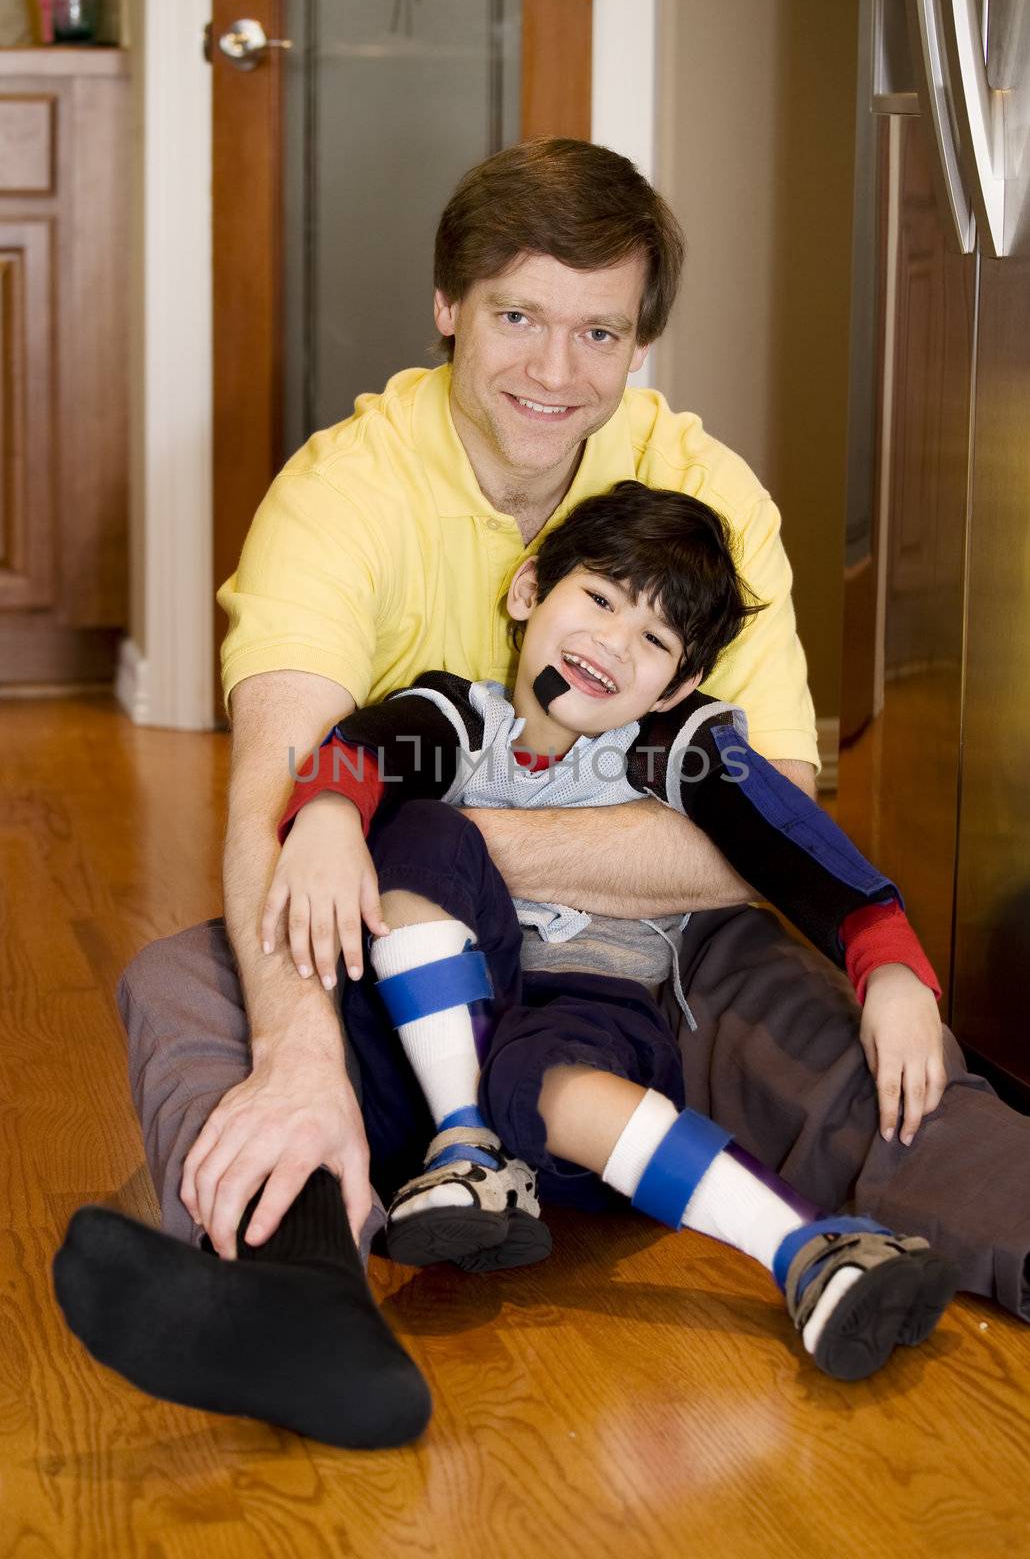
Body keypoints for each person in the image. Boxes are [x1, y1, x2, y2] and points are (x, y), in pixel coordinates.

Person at [51, 139, 1027, 1452]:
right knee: (196, 987)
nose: (555, 373)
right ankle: (297, 1289)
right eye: (517, 317)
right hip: (408, 960)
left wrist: (451, 838)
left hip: (652, 966)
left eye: (598, 332)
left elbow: (773, 819)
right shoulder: (344, 495)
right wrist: (299, 1048)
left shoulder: (700, 505)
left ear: (638, 346)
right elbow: (278, 794)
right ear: (448, 305)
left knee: (856, 1053)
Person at [264, 480, 958, 1384]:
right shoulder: (454, 717)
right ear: (528, 591)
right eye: (598, 598)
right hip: (418, 1080)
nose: (612, 644)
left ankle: (808, 1249)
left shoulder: (673, 748)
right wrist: (323, 813)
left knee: (541, 1073)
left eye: (654, 640)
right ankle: (442, 1161)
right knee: (420, 828)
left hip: (582, 1024)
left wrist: (890, 964)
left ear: (679, 683)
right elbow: (364, 747)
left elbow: (787, 833)